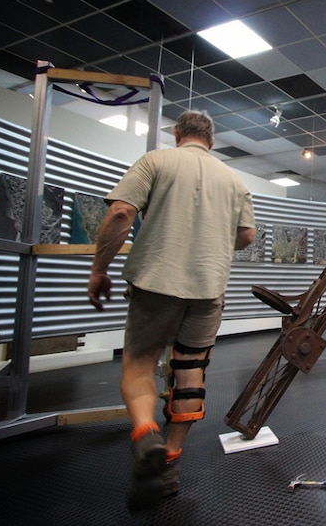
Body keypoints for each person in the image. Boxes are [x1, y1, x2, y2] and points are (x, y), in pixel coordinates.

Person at [88, 110, 256, 512]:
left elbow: (120, 213)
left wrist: (99, 270)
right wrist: (212, 240)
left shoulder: (156, 161)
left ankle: (146, 434)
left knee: (140, 366)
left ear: (178, 134)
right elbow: (246, 236)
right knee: (190, 376)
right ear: (211, 142)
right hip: (208, 290)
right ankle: (169, 467)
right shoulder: (233, 180)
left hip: (155, 283)